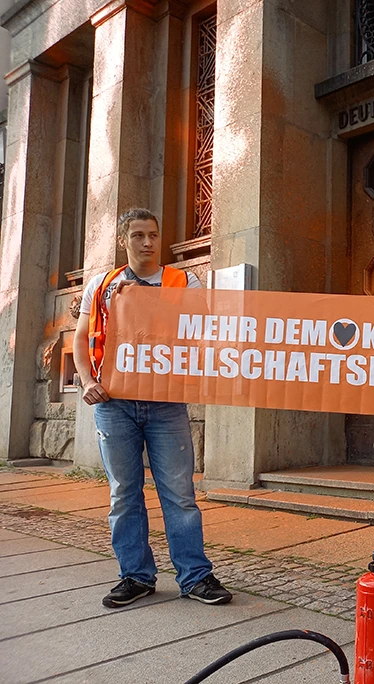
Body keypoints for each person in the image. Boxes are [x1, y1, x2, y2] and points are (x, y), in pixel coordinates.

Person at [74, 208, 232, 608]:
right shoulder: (102, 284)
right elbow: (81, 339)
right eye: (139, 235)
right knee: (124, 493)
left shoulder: (184, 280)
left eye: (154, 235)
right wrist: (88, 381)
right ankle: (136, 575)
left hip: (166, 404)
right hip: (113, 403)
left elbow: (203, 331)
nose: (147, 243)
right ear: (123, 240)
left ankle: (195, 576)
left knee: (179, 493)